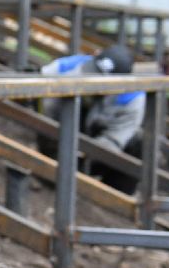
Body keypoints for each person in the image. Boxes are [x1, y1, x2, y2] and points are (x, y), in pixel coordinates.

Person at [37, 44, 145, 192]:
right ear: (94, 56)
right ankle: (51, 170)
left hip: (96, 145)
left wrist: (83, 158)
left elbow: (114, 140)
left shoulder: (132, 98)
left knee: (139, 142)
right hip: (60, 131)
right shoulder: (70, 66)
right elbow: (38, 85)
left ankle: (110, 196)